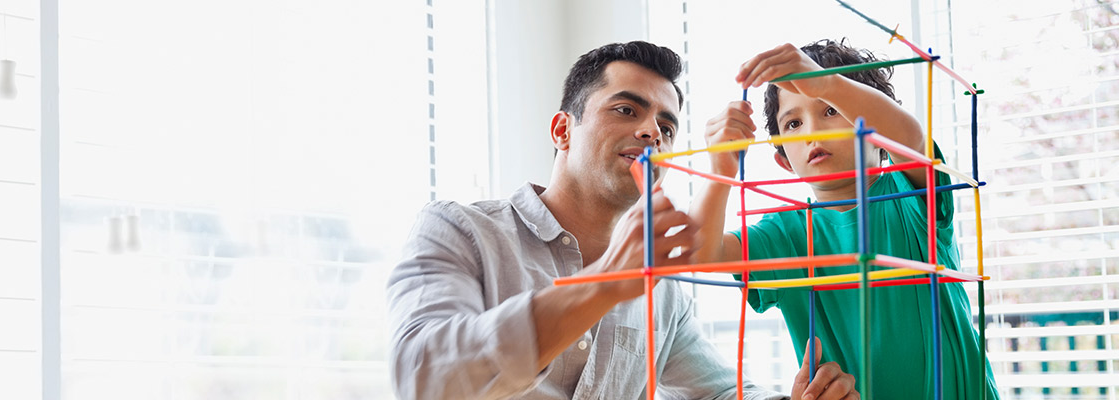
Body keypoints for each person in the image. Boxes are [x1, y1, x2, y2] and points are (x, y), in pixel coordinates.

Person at [387, 40, 859, 400]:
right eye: (626, 109)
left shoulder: (664, 293)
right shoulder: (460, 231)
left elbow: (717, 393)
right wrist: (606, 282)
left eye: (667, 127)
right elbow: (423, 375)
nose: (652, 131)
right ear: (562, 130)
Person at [689, 39, 998, 399]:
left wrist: (829, 83)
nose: (812, 132)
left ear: (881, 137)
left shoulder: (911, 197)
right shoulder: (786, 235)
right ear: (783, 161)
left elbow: (910, 138)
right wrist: (720, 170)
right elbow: (700, 253)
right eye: (792, 123)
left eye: (831, 111)